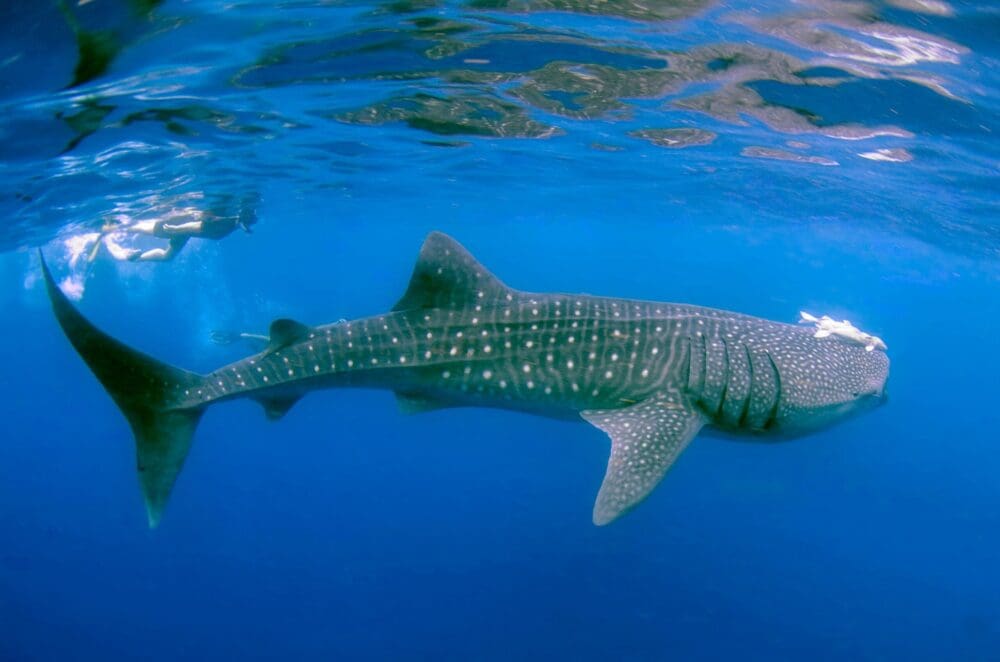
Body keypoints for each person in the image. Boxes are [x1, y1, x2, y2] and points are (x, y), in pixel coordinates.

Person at [100, 193, 258, 262]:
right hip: (181, 224)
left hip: (182, 225)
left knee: (147, 231)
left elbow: (198, 227)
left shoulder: (225, 225)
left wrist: (177, 230)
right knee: (162, 250)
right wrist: (176, 230)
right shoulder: (224, 228)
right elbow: (196, 227)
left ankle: (123, 240)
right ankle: (117, 231)